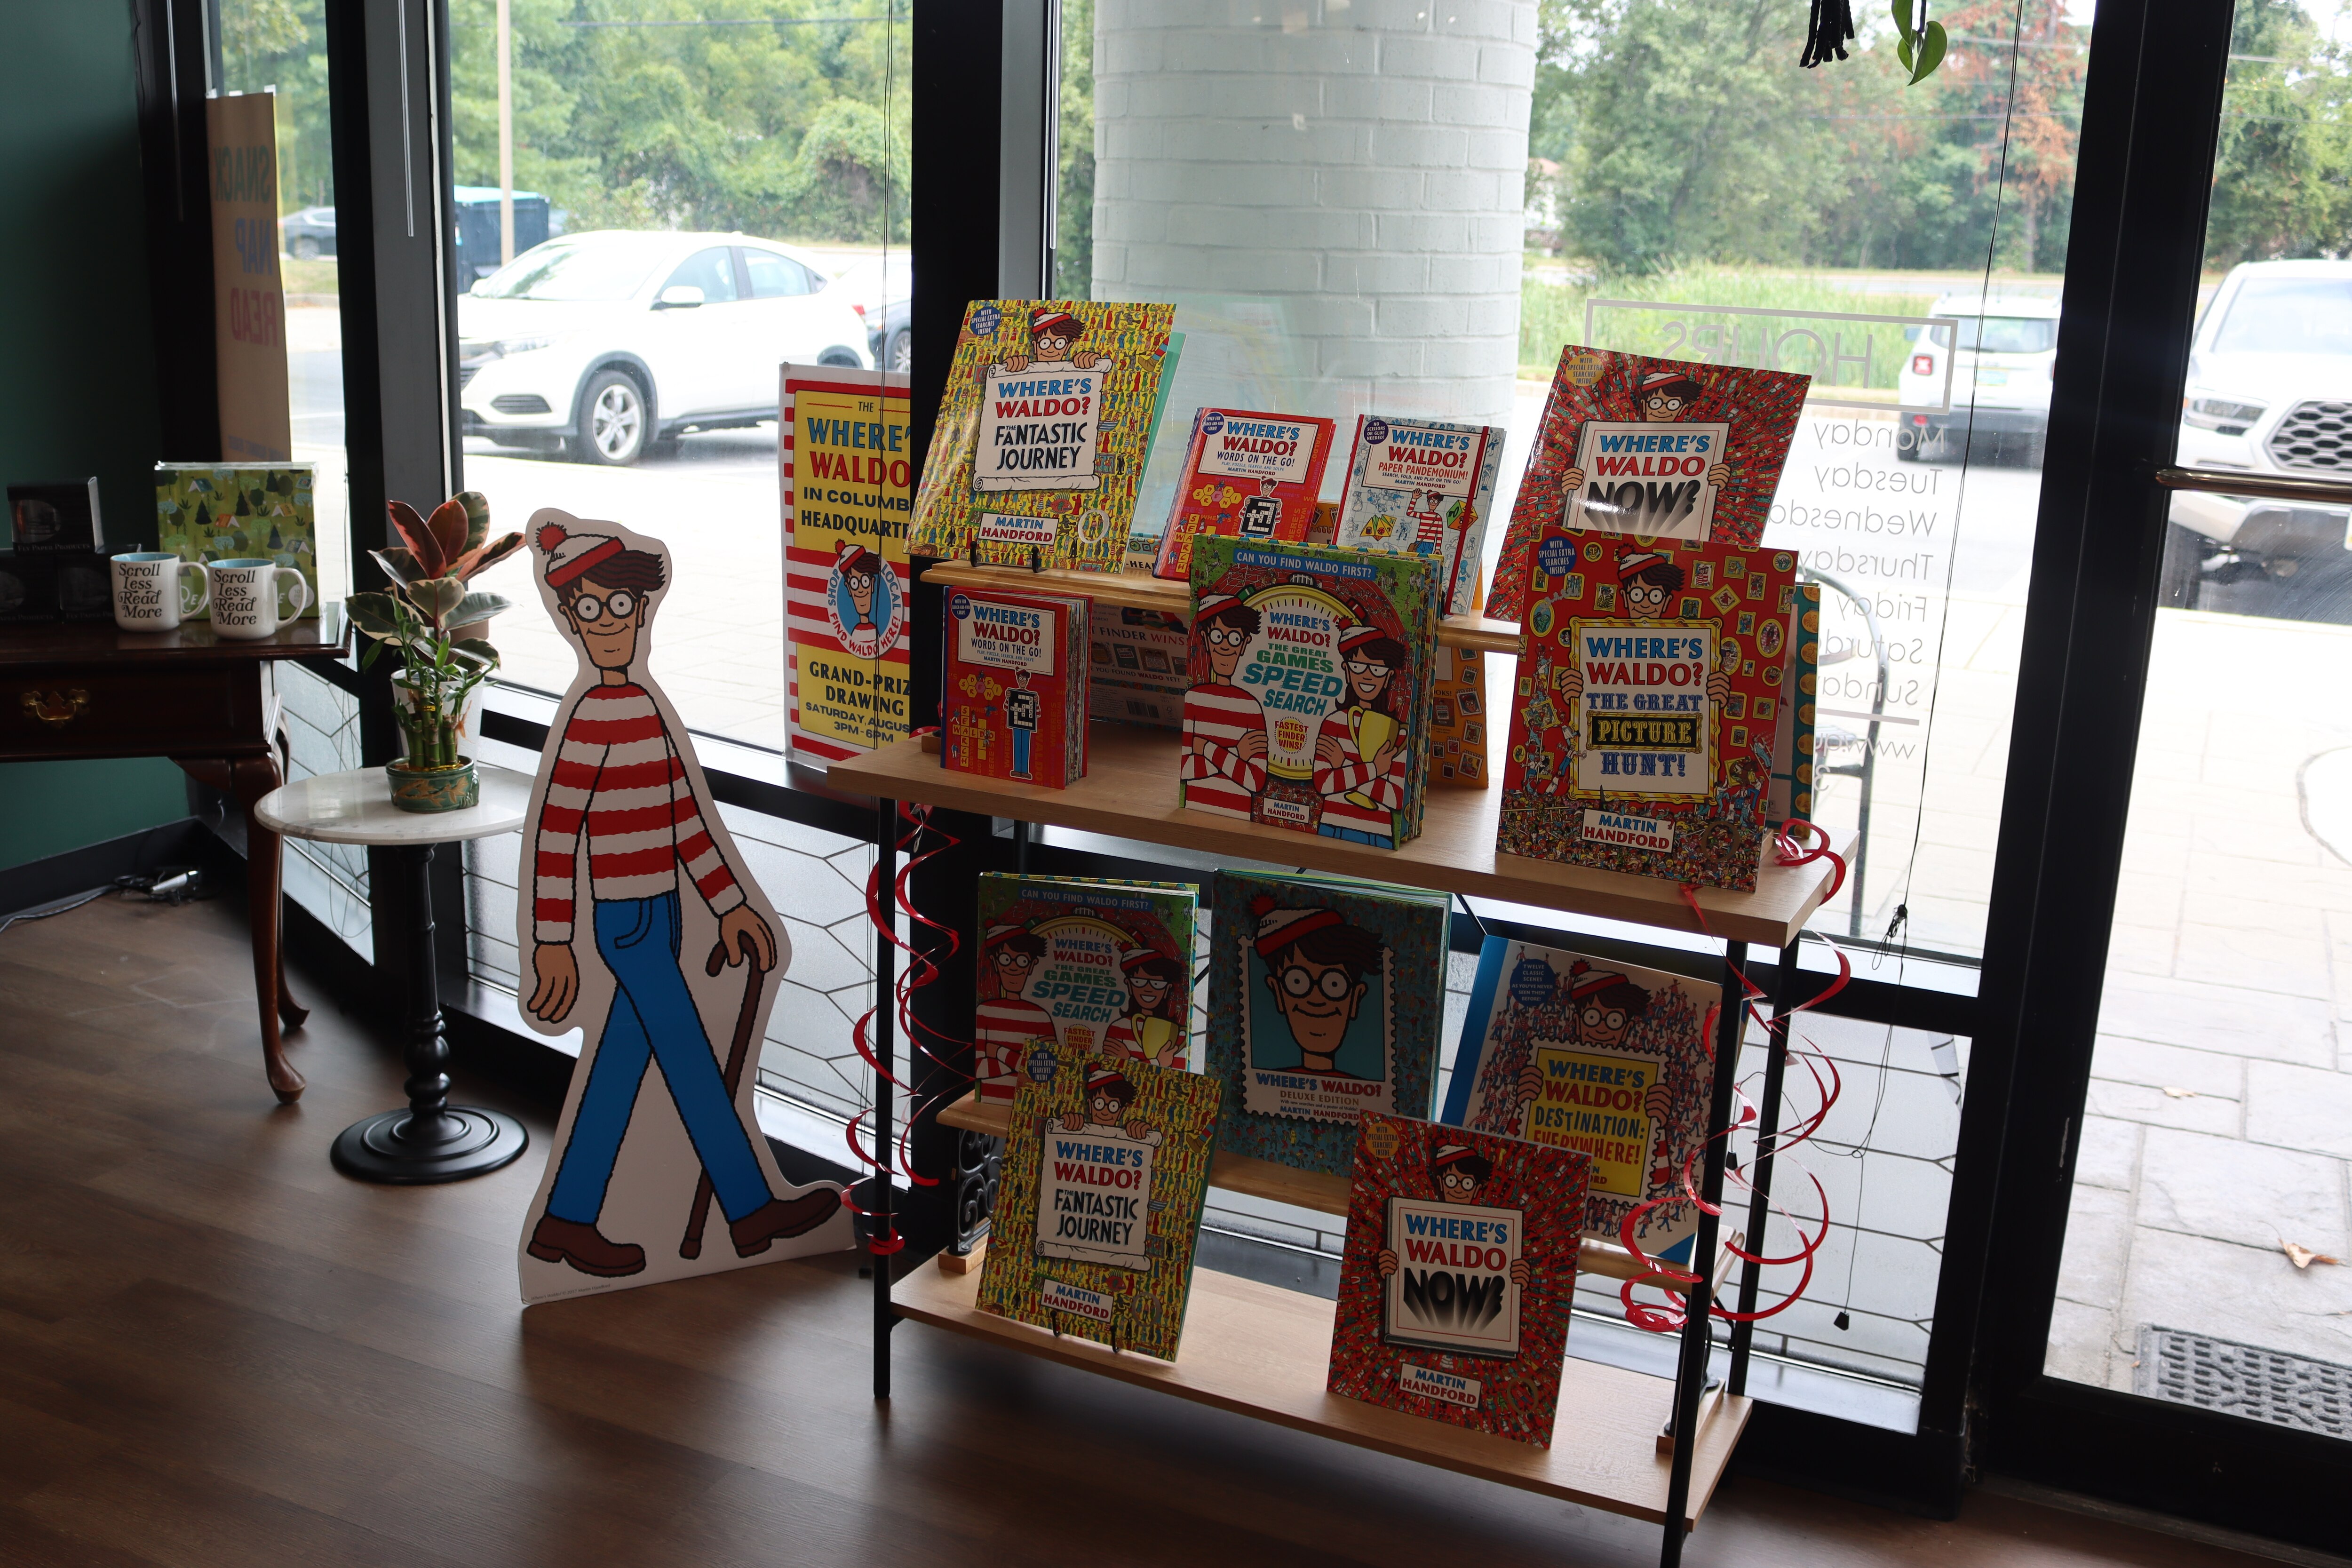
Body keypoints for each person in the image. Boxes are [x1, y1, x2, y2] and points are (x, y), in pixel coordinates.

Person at [523, 523, 839, 1278]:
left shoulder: (644, 709)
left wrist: (729, 905)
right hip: (626, 924)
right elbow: (556, 839)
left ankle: (565, 1221)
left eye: (621, 605)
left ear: (642, 610)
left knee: (620, 1069)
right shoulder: (588, 723)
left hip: (661, 913)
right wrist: (552, 941)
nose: (608, 624)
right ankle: (751, 1207)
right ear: (568, 618)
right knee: (694, 1063)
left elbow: (687, 823)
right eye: (590, 610)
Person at [1513, 960, 1675, 1187]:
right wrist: (1522, 1108)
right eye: (1592, 1017)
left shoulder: (1645, 1084)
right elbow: (1512, 1165)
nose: (1602, 1028)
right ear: (1579, 1023)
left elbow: (1658, 1182)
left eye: (1614, 1020)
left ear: (1627, 1028)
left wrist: (1658, 1125)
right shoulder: (1545, 1071)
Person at [1248, 895, 1384, 1077]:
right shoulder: (1266, 1083)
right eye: (1297, 982)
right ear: (1278, 993)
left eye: (1334, 984)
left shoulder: (1367, 1092)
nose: (1316, 999)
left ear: (1355, 998)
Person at [1377, 1140, 1533, 1288]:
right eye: (1451, 1181)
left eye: (1467, 1183)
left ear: (1477, 1189)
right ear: (1441, 1183)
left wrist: (1519, 1283)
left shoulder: (1494, 1229)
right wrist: (1389, 1270)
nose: (1459, 1189)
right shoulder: (1416, 1222)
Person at [1558, 367, 1732, 497]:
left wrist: (1717, 486)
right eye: (1656, 403)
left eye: (1673, 404)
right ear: (1644, 405)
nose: (1663, 410)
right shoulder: (1612, 438)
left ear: (1682, 409)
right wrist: (1571, 489)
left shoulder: (1699, 447)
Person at [1314, 622, 1411, 839]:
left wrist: (1344, 768)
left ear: (1388, 677)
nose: (1367, 676)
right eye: (1358, 666)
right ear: (1347, 671)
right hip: (1332, 826)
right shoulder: (1333, 723)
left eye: (1377, 669)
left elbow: (1397, 797)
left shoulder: (1396, 732)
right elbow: (1323, 783)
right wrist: (1375, 770)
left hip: (1378, 833)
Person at [1180, 593, 1270, 818]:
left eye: (1235, 639)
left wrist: (1207, 749)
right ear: (1206, 640)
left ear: (1244, 644)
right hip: (1194, 812)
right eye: (1218, 636)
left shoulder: (1252, 707)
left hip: (1241, 818)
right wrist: (1237, 754)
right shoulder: (1194, 699)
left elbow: (1256, 780)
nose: (1226, 646)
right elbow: (1184, 769)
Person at [976, 922, 1057, 1101]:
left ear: (1031, 965)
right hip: (989, 1103)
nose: (1013, 967)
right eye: (1006, 959)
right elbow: (977, 1068)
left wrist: (997, 1052)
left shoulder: (1042, 1017)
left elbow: (1048, 1073)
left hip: (1028, 1106)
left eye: (1022, 961)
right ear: (996, 963)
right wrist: (1022, 1062)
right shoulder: (984, 1012)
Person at [1103, 947, 1188, 1070]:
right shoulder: (1118, 1028)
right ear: (1129, 985)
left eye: (1157, 984)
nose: (1148, 989)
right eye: (1139, 982)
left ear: (1167, 989)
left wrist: (1128, 1059)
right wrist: (1158, 1062)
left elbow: (1175, 1077)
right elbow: (1109, 1067)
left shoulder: (1177, 1034)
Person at [1060, 1066, 1163, 1146]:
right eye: (1099, 1104)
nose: (1105, 1111)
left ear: (1121, 1112)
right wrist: (1066, 1124)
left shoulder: (1125, 1141)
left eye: (1113, 1106)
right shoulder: (1079, 1134)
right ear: (1091, 1106)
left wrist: (1142, 1132)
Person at [994, 306, 1107, 375]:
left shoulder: (1072, 372)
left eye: (1060, 344)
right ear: (1036, 346)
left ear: (1067, 348)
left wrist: (1091, 363)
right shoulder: (1025, 371)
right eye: (1045, 343)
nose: (1051, 349)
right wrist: (1009, 369)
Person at [831, 540, 890, 656]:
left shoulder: (874, 632)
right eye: (854, 583)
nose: (861, 590)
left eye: (865, 581)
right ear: (848, 588)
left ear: (872, 584)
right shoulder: (856, 634)